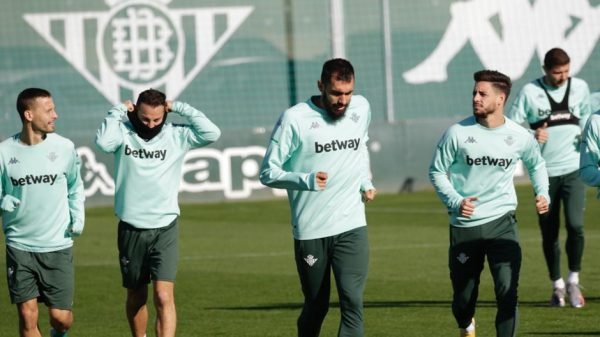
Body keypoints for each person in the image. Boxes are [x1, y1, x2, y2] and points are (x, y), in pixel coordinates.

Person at [260, 58, 376, 337]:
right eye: (336, 93)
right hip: (311, 229)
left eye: (348, 93)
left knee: (352, 300)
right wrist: (306, 180)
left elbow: (360, 147)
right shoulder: (295, 119)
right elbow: (267, 172)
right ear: (321, 86)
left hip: (352, 225)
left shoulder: (361, 108)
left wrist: (365, 181)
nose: (343, 101)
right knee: (317, 304)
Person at [429, 70, 549, 337]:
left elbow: (537, 163)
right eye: (474, 92)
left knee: (507, 291)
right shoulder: (456, 133)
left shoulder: (518, 135)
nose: (475, 98)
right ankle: (466, 325)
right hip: (465, 225)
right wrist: (456, 201)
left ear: (500, 98)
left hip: (502, 222)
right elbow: (436, 171)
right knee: (463, 299)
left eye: (483, 94)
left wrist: (543, 193)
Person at [95, 89, 221, 337]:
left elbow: (212, 133)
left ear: (165, 113)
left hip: (165, 227)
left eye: (156, 119)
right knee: (136, 295)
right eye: (145, 119)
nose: (151, 124)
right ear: (135, 112)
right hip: (131, 227)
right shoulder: (122, 132)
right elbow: (103, 142)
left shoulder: (176, 135)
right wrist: (118, 111)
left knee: (164, 296)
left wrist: (180, 107)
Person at [507, 47, 591, 308]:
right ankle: (557, 285)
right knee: (549, 230)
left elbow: (589, 121)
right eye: (557, 72)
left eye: (566, 71)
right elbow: (510, 129)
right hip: (543, 173)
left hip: (574, 169)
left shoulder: (580, 88)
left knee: (576, 225)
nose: (563, 76)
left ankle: (574, 280)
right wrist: (532, 136)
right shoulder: (529, 93)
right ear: (545, 70)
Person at [0, 88, 85, 337]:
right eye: (48, 110)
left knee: (61, 319)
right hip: (19, 244)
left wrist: (77, 216)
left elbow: (75, 187)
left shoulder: (65, 148)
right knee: (27, 315)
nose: (55, 115)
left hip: (57, 244)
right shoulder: (4, 152)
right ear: (29, 114)